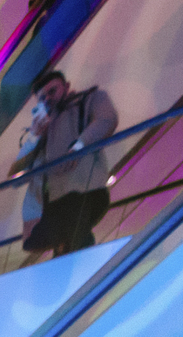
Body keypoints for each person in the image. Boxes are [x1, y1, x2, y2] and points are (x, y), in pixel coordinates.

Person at [13, 71, 118, 259]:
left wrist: (79, 145)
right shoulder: (42, 127)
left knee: (71, 245)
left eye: (52, 91)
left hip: (82, 192)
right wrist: (34, 136)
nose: (48, 99)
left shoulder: (87, 100)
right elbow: (16, 176)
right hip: (51, 206)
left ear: (67, 87)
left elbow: (106, 119)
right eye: (43, 98)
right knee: (68, 249)